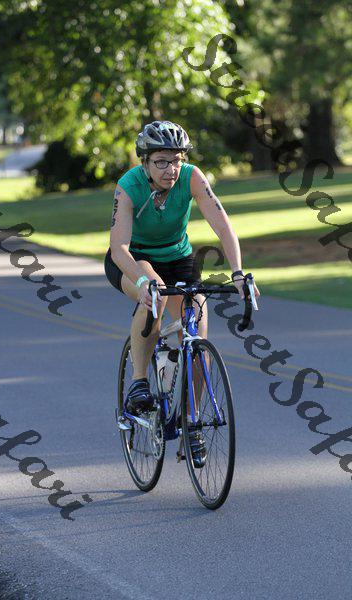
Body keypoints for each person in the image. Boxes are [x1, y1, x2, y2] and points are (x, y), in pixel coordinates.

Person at [104, 120, 260, 466]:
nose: (170, 169)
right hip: (134, 260)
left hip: (178, 258)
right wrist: (143, 283)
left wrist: (237, 272)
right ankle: (139, 381)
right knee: (154, 296)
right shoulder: (128, 186)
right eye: (161, 161)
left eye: (176, 160)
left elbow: (223, 225)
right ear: (145, 162)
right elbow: (119, 249)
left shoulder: (192, 178)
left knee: (197, 336)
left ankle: (191, 422)